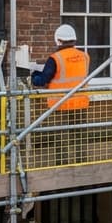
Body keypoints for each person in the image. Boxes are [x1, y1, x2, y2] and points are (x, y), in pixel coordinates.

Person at [30, 24, 91, 164]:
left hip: (60, 104)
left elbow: (43, 80)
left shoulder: (55, 58)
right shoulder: (85, 56)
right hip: (80, 102)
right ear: (74, 40)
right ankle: (82, 162)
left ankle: (62, 165)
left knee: (61, 137)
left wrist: (33, 76)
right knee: (80, 137)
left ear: (58, 40)